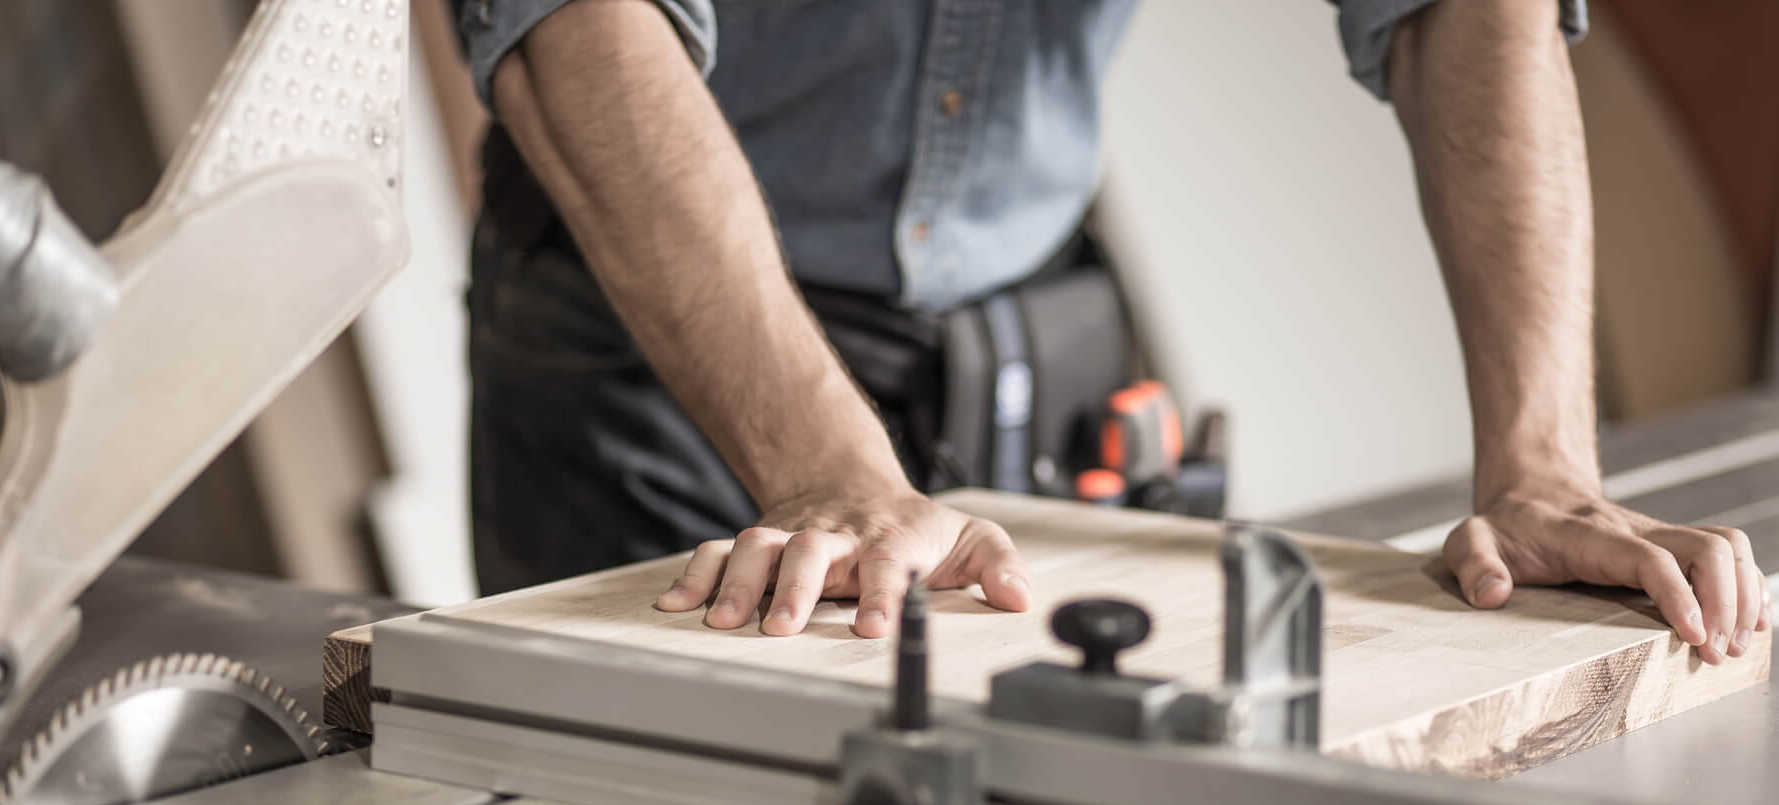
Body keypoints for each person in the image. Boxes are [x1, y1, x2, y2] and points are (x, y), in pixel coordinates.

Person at [450, 0, 1769, 665]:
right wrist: (825, 474)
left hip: (1022, 305)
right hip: (651, 340)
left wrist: (1542, 465)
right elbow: (577, 24)